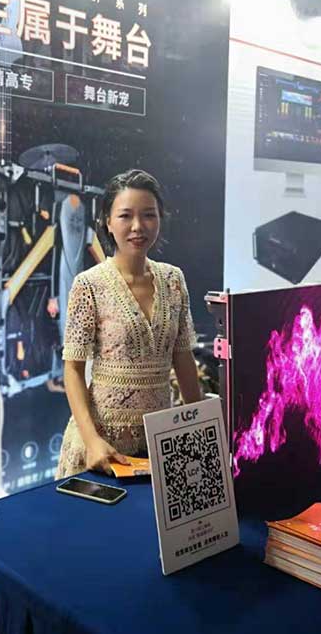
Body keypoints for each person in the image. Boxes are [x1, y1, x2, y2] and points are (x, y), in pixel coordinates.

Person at [55, 169, 202, 478]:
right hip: (102, 447)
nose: (138, 226)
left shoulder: (173, 280)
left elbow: (183, 359)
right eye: (125, 216)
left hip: (160, 443)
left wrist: (200, 430)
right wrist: (92, 441)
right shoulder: (89, 285)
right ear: (108, 222)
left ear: (160, 219)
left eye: (148, 215)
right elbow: (73, 370)